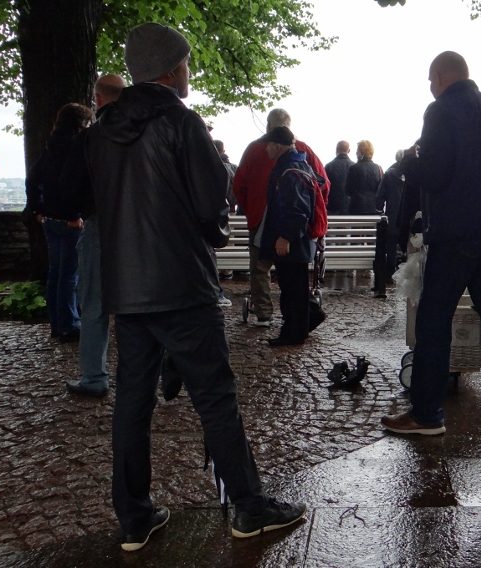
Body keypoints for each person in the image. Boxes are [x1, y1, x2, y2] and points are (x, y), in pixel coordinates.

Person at [83, 22, 305, 551]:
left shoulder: (102, 131)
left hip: (128, 289)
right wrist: (213, 230)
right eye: (185, 63)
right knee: (215, 395)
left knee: (133, 402)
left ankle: (134, 516)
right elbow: (213, 203)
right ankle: (249, 507)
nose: (189, 72)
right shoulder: (181, 123)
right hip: (181, 282)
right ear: (172, 69)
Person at [380, 51, 481, 435]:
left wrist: (409, 164)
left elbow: (435, 175)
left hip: (457, 233)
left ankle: (426, 414)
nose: (430, 86)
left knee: (434, 319)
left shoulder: (439, 112)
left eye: (430, 79)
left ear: (441, 76)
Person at [233, 109, 329, 328]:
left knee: (260, 268)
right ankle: (298, 316)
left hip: (261, 219)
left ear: (268, 126)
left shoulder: (254, 149)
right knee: (295, 273)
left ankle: (264, 313)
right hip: (297, 223)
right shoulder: (303, 150)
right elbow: (323, 183)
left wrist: (251, 210)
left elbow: (239, 185)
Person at [62, 73, 126, 397]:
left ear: (98, 99)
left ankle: (94, 377)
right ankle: (140, 377)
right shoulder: (144, 133)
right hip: (138, 226)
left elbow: (72, 187)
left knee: (93, 303)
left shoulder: (91, 138)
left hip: (100, 223)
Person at [26, 103, 93, 342]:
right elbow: (73, 183)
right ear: (81, 123)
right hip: (69, 220)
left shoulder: (50, 144)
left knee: (56, 273)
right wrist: (75, 214)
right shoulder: (76, 145)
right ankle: (68, 325)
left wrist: (37, 208)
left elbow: (33, 178)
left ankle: (56, 323)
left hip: (49, 218)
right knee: (69, 275)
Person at [258, 127, 318, 346]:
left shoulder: (289, 169)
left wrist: (286, 237)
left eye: (268, 144)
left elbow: (296, 209)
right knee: (295, 286)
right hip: (299, 241)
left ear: (277, 145)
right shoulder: (299, 165)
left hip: (292, 242)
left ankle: (294, 332)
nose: (266, 149)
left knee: (292, 288)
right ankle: (300, 325)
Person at [373, 150, 406, 297]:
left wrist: (379, 209)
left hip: (393, 214)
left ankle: (390, 273)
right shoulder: (413, 172)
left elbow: (381, 194)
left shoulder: (390, 173)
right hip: (408, 215)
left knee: (391, 245)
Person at [346, 140, 383, 215]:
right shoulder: (378, 168)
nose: (356, 153)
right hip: (373, 208)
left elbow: (348, 190)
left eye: (357, 151)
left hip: (356, 208)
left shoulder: (353, 168)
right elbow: (380, 190)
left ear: (361, 152)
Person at [325, 140, 354, 214]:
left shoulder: (328, 167)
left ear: (336, 150)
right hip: (350, 207)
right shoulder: (354, 167)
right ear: (349, 150)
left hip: (332, 207)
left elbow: (325, 188)